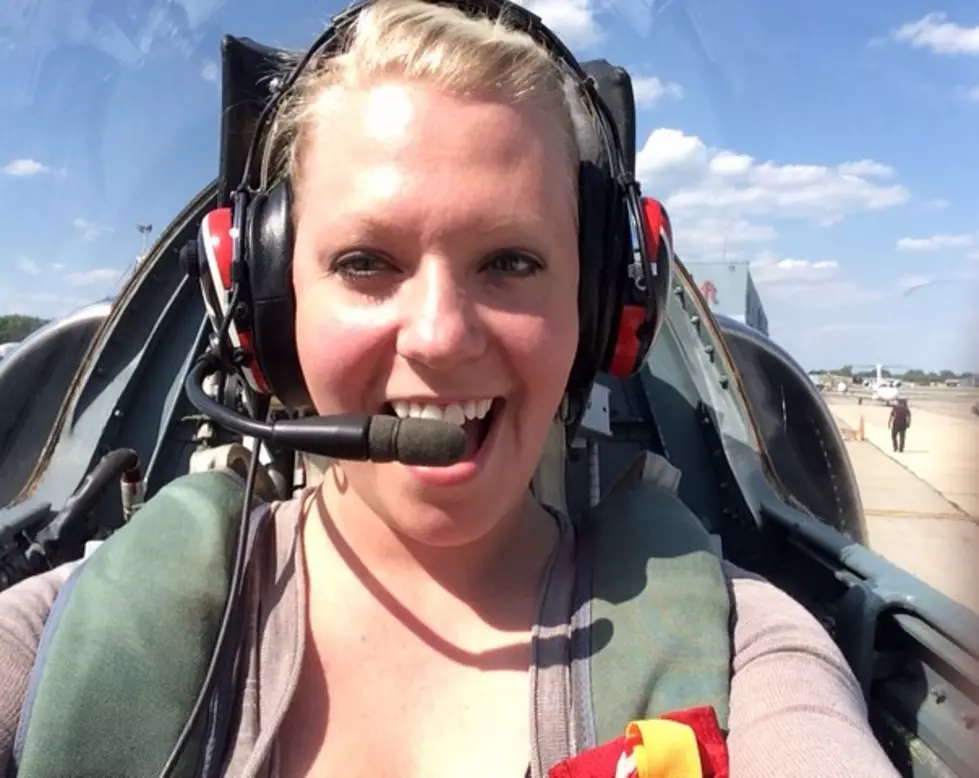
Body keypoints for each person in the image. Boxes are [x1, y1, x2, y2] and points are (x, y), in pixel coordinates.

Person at [0, 1, 901, 776]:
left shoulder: (747, 655)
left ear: (598, 307)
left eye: (509, 261)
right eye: (365, 263)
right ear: (266, 306)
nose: (439, 335)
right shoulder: (70, 636)